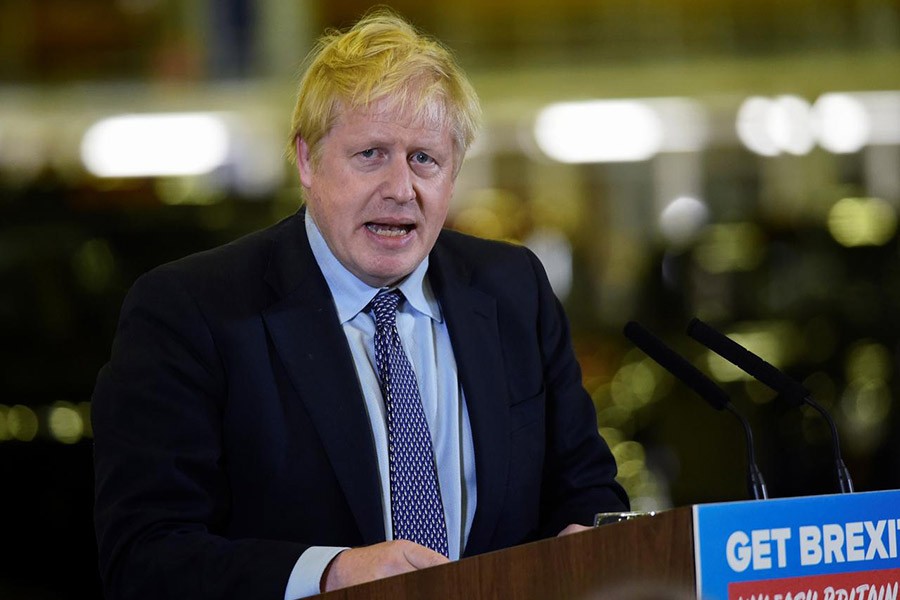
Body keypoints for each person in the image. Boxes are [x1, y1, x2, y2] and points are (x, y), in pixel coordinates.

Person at [92, 9, 628, 600]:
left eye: (425, 158)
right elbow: (145, 556)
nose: (401, 189)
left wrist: (590, 545)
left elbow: (587, 488)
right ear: (305, 160)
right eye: (371, 154)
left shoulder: (512, 288)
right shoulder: (189, 310)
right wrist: (331, 575)